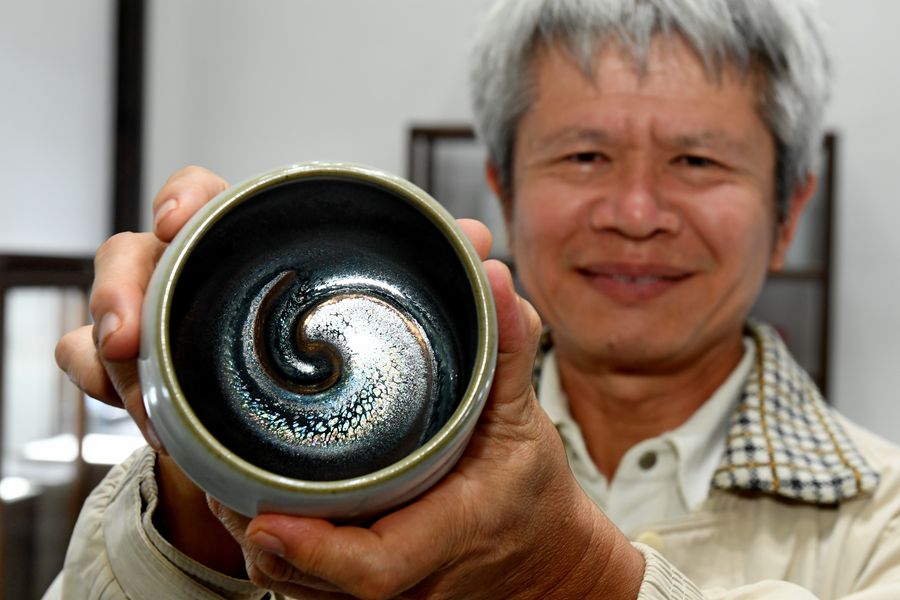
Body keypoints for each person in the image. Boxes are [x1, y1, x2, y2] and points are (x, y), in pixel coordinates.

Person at [46, 0, 900, 598]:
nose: (636, 213)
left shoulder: (881, 522)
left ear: (788, 214)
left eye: (698, 161)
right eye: (585, 157)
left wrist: (572, 580)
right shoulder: (355, 453)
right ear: (504, 190)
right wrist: (204, 489)